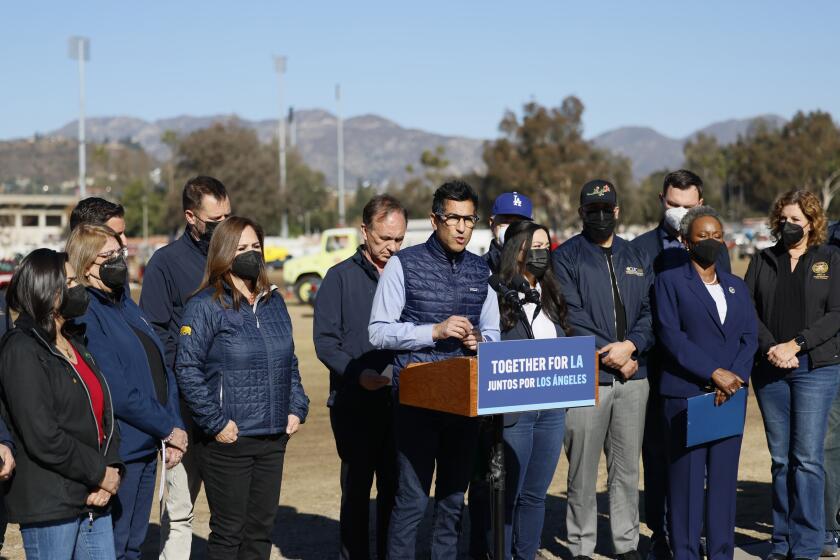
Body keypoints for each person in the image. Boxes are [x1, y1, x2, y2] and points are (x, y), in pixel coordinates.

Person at [369, 180, 500, 558]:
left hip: (465, 403)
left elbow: (493, 333)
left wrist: (481, 341)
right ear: (434, 219)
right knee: (411, 503)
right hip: (417, 402)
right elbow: (378, 332)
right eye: (453, 218)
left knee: (452, 502)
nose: (461, 227)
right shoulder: (402, 265)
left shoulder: (481, 271)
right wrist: (435, 331)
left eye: (469, 219)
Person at [175, 216, 309, 560]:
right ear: (223, 253)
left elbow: (288, 361)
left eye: (256, 247)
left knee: (260, 533)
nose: (251, 254)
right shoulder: (204, 305)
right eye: (242, 248)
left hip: (272, 437)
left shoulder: (274, 302)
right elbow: (187, 369)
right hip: (228, 442)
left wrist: (296, 406)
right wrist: (217, 424)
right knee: (229, 533)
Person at [66, 225, 187, 560]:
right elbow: (116, 389)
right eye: (108, 256)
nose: (118, 260)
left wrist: (173, 425)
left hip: (149, 442)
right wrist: (168, 427)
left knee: (134, 544)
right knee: (117, 547)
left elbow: (162, 368)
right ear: (86, 263)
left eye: (119, 253)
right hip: (124, 446)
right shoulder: (88, 313)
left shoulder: (126, 303)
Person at [631, 170, 731, 560]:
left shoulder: (714, 246)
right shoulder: (640, 249)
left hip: (702, 373)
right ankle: (661, 534)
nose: (679, 213)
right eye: (673, 205)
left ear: (701, 203)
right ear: (661, 200)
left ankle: (691, 533)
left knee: (698, 461)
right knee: (658, 457)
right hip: (658, 370)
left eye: (689, 207)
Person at [552, 179, 654, 560]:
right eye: (590, 210)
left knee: (627, 470)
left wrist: (632, 347)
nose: (599, 217)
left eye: (605, 210)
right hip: (586, 379)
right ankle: (581, 546)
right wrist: (608, 353)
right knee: (581, 471)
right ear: (581, 213)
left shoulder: (636, 256)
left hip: (634, 378)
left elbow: (650, 311)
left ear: (617, 211)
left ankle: (626, 544)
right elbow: (569, 315)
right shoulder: (566, 257)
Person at [0, 248, 122, 559]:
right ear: (45, 289)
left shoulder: (75, 342)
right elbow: (43, 435)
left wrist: (111, 470)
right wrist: (99, 473)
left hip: (95, 497)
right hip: (52, 503)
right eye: (68, 282)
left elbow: (104, 414)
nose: (78, 289)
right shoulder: (22, 349)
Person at [654, 206, 758, 560]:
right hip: (686, 398)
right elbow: (672, 337)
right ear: (685, 241)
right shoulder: (669, 283)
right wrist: (715, 373)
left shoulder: (736, 286)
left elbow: (749, 337)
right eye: (703, 236)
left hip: (729, 398)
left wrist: (735, 377)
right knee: (685, 488)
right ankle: (684, 552)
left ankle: (721, 552)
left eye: (717, 235)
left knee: (724, 487)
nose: (711, 241)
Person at [139, 175, 232, 560]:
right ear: (191, 217)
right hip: (183, 409)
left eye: (229, 217)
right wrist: (194, 365)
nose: (223, 227)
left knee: (231, 515)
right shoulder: (165, 263)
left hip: (231, 408)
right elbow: (155, 333)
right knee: (179, 512)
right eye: (215, 222)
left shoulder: (236, 256)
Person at [745, 189, 840, 560]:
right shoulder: (763, 260)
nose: (788, 226)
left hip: (815, 369)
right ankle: (781, 539)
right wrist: (772, 347)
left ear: (812, 223)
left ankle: (808, 543)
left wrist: (795, 344)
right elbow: (748, 309)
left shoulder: (830, 258)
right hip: (770, 371)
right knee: (781, 460)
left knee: (808, 458)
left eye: (796, 220)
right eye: (783, 220)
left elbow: (835, 314)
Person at [314, 194, 407, 559]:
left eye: (399, 239)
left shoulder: (408, 274)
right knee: (355, 492)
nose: (392, 247)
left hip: (402, 402)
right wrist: (357, 374)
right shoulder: (338, 278)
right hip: (354, 403)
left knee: (395, 490)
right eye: (385, 239)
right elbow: (325, 341)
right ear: (365, 231)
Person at [491, 220, 571, 559]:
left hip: (551, 411)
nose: (541, 252)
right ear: (516, 249)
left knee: (535, 494)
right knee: (509, 494)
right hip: (514, 413)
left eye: (545, 245)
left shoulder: (551, 291)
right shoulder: (496, 292)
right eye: (533, 245)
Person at [470, 190, 533, 559]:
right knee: (481, 484)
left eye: (519, 224)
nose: (510, 230)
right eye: (504, 222)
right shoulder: (478, 270)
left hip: (526, 393)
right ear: (492, 224)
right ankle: (481, 551)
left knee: (521, 485)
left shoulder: (540, 273)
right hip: (486, 393)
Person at [484, 192, 534, 273]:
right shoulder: (478, 268)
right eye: (506, 221)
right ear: (492, 223)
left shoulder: (537, 268)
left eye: (519, 223)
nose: (513, 228)